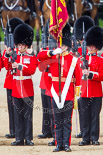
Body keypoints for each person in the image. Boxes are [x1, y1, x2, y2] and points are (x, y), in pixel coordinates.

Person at [37, 23, 81, 152]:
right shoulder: (53, 57)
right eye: (60, 45)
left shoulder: (74, 60)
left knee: (67, 121)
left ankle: (66, 144)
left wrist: (76, 94)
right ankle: (58, 144)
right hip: (55, 93)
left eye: (64, 45)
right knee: (57, 121)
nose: (61, 47)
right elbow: (39, 57)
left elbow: (77, 79)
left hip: (68, 94)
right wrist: (51, 52)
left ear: (68, 45)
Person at [4, 23, 37, 146]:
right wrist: (7, 55)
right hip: (16, 88)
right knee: (18, 115)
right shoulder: (14, 55)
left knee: (27, 115)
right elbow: (7, 67)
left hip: (27, 88)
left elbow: (32, 70)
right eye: (19, 44)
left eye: (23, 44)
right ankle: (19, 138)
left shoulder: (30, 56)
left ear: (26, 45)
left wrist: (20, 66)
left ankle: (28, 138)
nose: (21, 46)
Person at [79, 26, 103, 146]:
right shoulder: (81, 59)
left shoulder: (100, 60)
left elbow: (102, 76)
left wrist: (91, 74)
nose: (91, 47)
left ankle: (94, 138)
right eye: (90, 45)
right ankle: (85, 137)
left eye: (93, 45)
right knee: (84, 116)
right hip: (84, 92)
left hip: (96, 92)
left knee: (94, 116)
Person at [2, 17, 24, 139]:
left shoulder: (20, 50)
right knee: (11, 108)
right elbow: (6, 66)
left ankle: (20, 131)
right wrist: (7, 54)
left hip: (19, 82)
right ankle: (13, 130)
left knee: (19, 108)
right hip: (10, 82)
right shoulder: (9, 50)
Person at [74, 15, 95, 138]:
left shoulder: (91, 52)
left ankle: (92, 132)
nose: (82, 42)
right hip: (80, 84)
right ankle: (83, 130)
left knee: (92, 111)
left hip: (91, 85)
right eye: (80, 40)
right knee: (81, 109)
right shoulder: (76, 51)